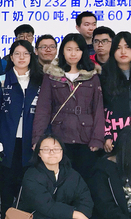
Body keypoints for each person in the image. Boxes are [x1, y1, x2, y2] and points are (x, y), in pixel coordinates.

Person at [0, 135, 93, 219]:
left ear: (62, 152)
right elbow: (46, 206)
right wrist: (77, 214)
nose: (52, 152)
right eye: (46, 149)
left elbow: (85, 199)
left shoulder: (72, 175)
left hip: (57, 216)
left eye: (56, 149)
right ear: (39, 154)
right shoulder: (32, 174)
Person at [32, 33, 104, 181]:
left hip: (86, 137)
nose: (73, 53)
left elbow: (98, 109)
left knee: (85, 180)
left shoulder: (92, 75)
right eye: (69, 49)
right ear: (62, 51)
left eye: (77, 49)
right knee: (60, 179)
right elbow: (43, 109)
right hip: (59, 135)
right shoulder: (52, 75)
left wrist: (97, 139)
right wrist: (37, 138)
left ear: (83, 52)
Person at [0, 40, 43, 215]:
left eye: (26, 53)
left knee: (28, 184)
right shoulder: (1, 81)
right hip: (7, 143)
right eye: (17, 54)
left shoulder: (40, 81)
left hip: (31, 142)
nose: (21, 57)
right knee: (7, 184)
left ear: (32, 56)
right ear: (11, 57)